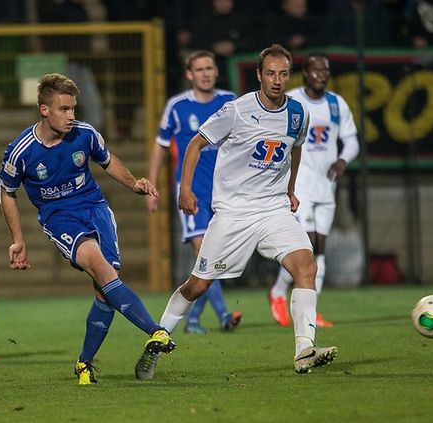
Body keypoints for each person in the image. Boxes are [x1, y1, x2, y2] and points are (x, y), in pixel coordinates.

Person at [135, 44, 338, 380]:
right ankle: (157, 339)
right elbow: (195, 143)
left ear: (290, 75)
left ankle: (303, 350)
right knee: (198, 285)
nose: (277, 80)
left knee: (306, 266)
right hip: (234, 212)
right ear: (258, 75)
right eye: (270, 73)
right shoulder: (238, 109)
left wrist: (289, 190)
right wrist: (184, 189)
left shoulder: (298, 113)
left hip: (273, 209)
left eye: (283, 74)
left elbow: (295, 150)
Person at [0, 73, 175, 385]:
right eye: (64, 109)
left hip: (96, 210)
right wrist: (18, 239)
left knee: (104, 291)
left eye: (73, 109)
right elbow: (7, 192)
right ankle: (155, 331)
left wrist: (134, 183)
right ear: (44, 110)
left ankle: (83, 364)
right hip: (60, 218)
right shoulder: (21, 150)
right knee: (102, 269)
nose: (71, 116)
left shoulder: (85, 134)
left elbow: (107, 161)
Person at [147, 50, 241, 335]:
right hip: (191, 191)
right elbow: (161, 145)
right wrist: (152, 186)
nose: (205, 73)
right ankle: (224, 315)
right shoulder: (177, 106)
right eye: (199, 69)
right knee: (203, 251)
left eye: (210, 68)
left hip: (226, 191)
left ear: (216, 71)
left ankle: (193, 319)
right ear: (190, 74)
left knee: (214, 258)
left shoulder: (230, 102)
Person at [268, 53, 360, 328]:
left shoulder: (336, 104)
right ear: (305, 73)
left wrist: (344, 160)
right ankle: (279, 296)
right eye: (315, 70)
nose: (321, 75)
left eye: (325, 71)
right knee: (308, 247)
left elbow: (352, 140)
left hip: (326, 189)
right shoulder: (293, 100)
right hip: (300, 187)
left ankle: (309, 310)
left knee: (320, 250)